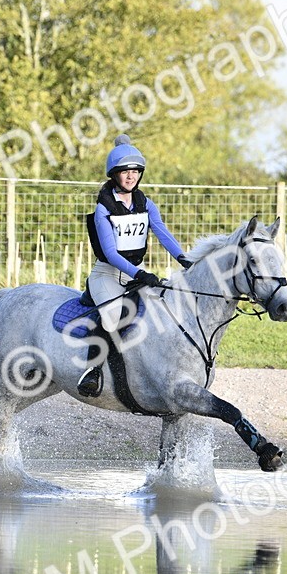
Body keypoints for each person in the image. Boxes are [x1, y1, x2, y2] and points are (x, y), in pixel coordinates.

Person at [76, 135, 193, 397]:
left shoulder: (145, 203)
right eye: (125, 172)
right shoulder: (103, 208)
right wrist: (139, 273)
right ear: (115, 175)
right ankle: (92, 371)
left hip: (133, 275)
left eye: (135, 172)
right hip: (107, 274)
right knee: (114, 315)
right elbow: (110, 252)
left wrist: (183, 258)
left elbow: (162, 232)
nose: (131, 177)